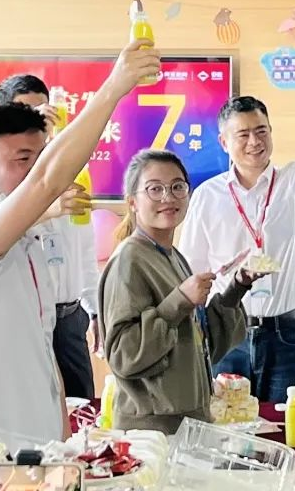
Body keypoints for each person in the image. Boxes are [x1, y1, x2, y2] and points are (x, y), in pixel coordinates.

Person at [0, 40, 160, 442]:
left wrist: (63, 439)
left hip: (40, 451)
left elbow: (43, 351)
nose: (36, 168)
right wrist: (114, 87)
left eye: (42, 155)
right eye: (23, 159)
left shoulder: (32, 243)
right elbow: (46, 182)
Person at [178, 95, 295, 402]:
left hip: (283, 332)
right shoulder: (207, 196)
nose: (254, 142)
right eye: (243, 134)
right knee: (225, 420)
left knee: (283, 422)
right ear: (224, 142)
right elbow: (191, 269)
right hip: (226, 331)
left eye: (261, 131)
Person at [99, 150, 262, 434]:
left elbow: (200, 345)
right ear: (133, 202)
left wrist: (237, 287)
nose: (168, 197)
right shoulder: (129, 259)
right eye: (155, 189)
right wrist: (180, 301)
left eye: (177, 187)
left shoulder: (173, 256)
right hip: (152, 432)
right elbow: (124, 355)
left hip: (188, 424)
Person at [0, 73, 100, 399]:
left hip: (70, 318)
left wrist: (94, 308)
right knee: (29, 406)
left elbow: (84, 245)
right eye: (24, 114)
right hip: (23, 320)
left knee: (81, 408)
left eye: (42, 111)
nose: (37, 120)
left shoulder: (69, 171)